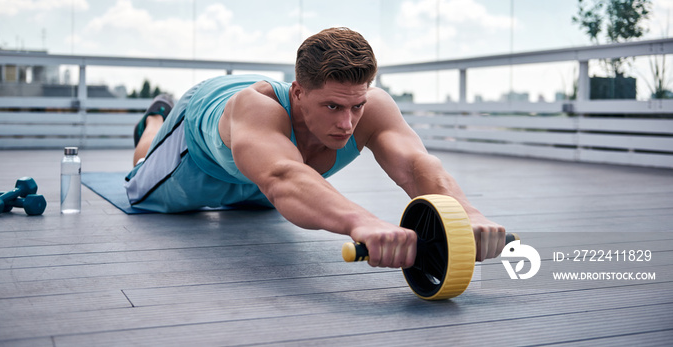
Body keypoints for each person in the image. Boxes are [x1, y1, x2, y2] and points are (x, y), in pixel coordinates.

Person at [126, 27, 505, 267]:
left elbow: (415, 164)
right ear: (298, 93)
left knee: (263, 199)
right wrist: (365, 221)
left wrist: (465, 212)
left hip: (264, 178)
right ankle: (156, 121)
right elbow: (283, 176)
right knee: (139, 178)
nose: (347, 123)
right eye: (332, 107)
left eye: (356, 106)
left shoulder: (372, 108)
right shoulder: (256, 108)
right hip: (200, 152)